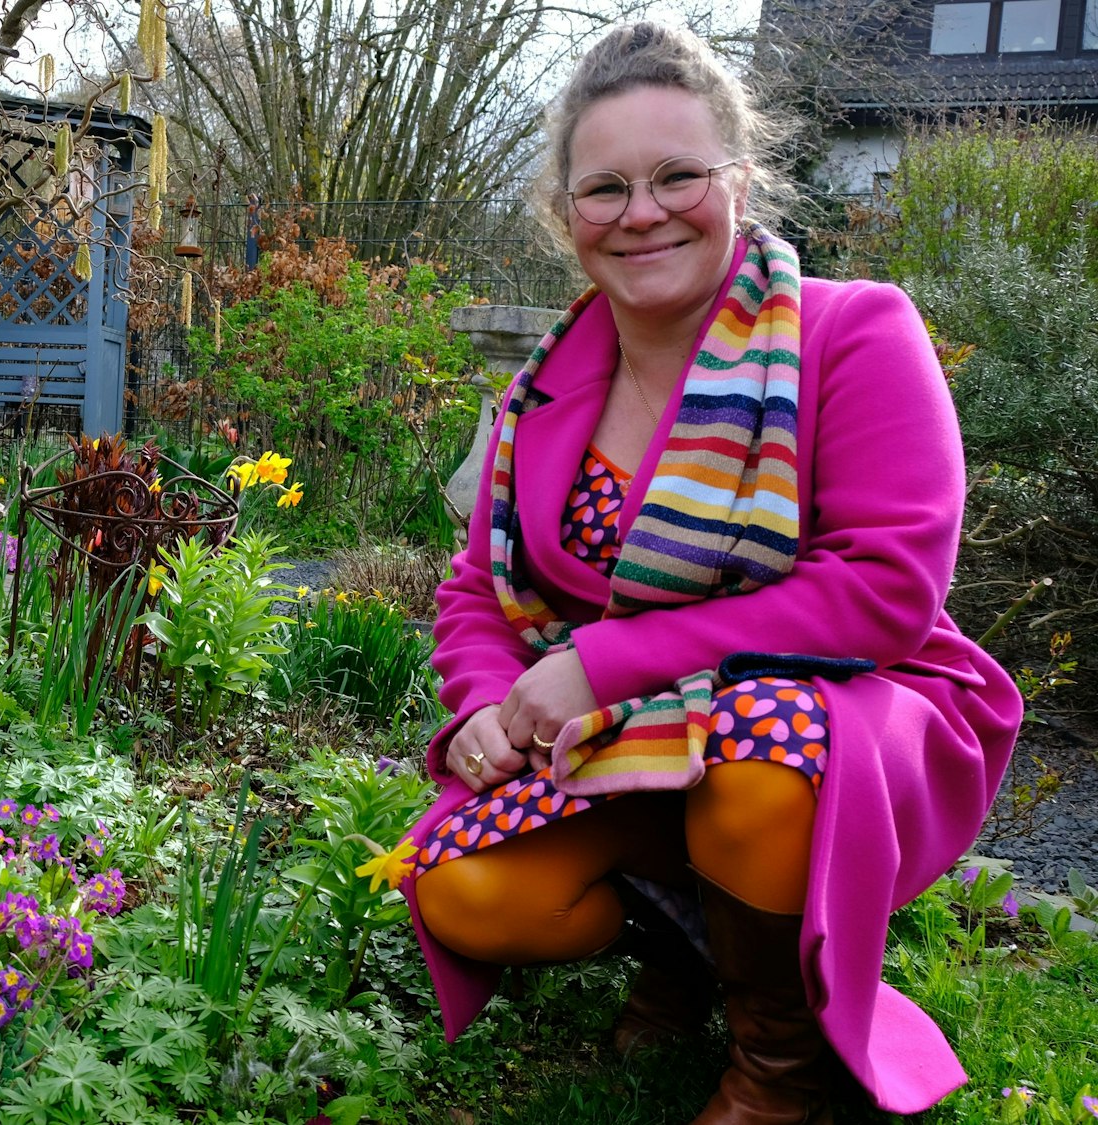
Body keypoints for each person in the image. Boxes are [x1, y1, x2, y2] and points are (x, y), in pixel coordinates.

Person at [395, 22, 1022, 1125]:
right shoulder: (544, 388)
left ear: (738, 180)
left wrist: (604, 662)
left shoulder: (853, 332)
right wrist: (487, 702)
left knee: (759, 755)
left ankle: (778, 1070)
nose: (641, 212)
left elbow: (883, 587)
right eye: (604, 188)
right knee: (468, 891)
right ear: (565, 214)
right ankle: (696, 944)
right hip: (635, 735)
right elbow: (475, 588)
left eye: (677, 175)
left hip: (846, 707)